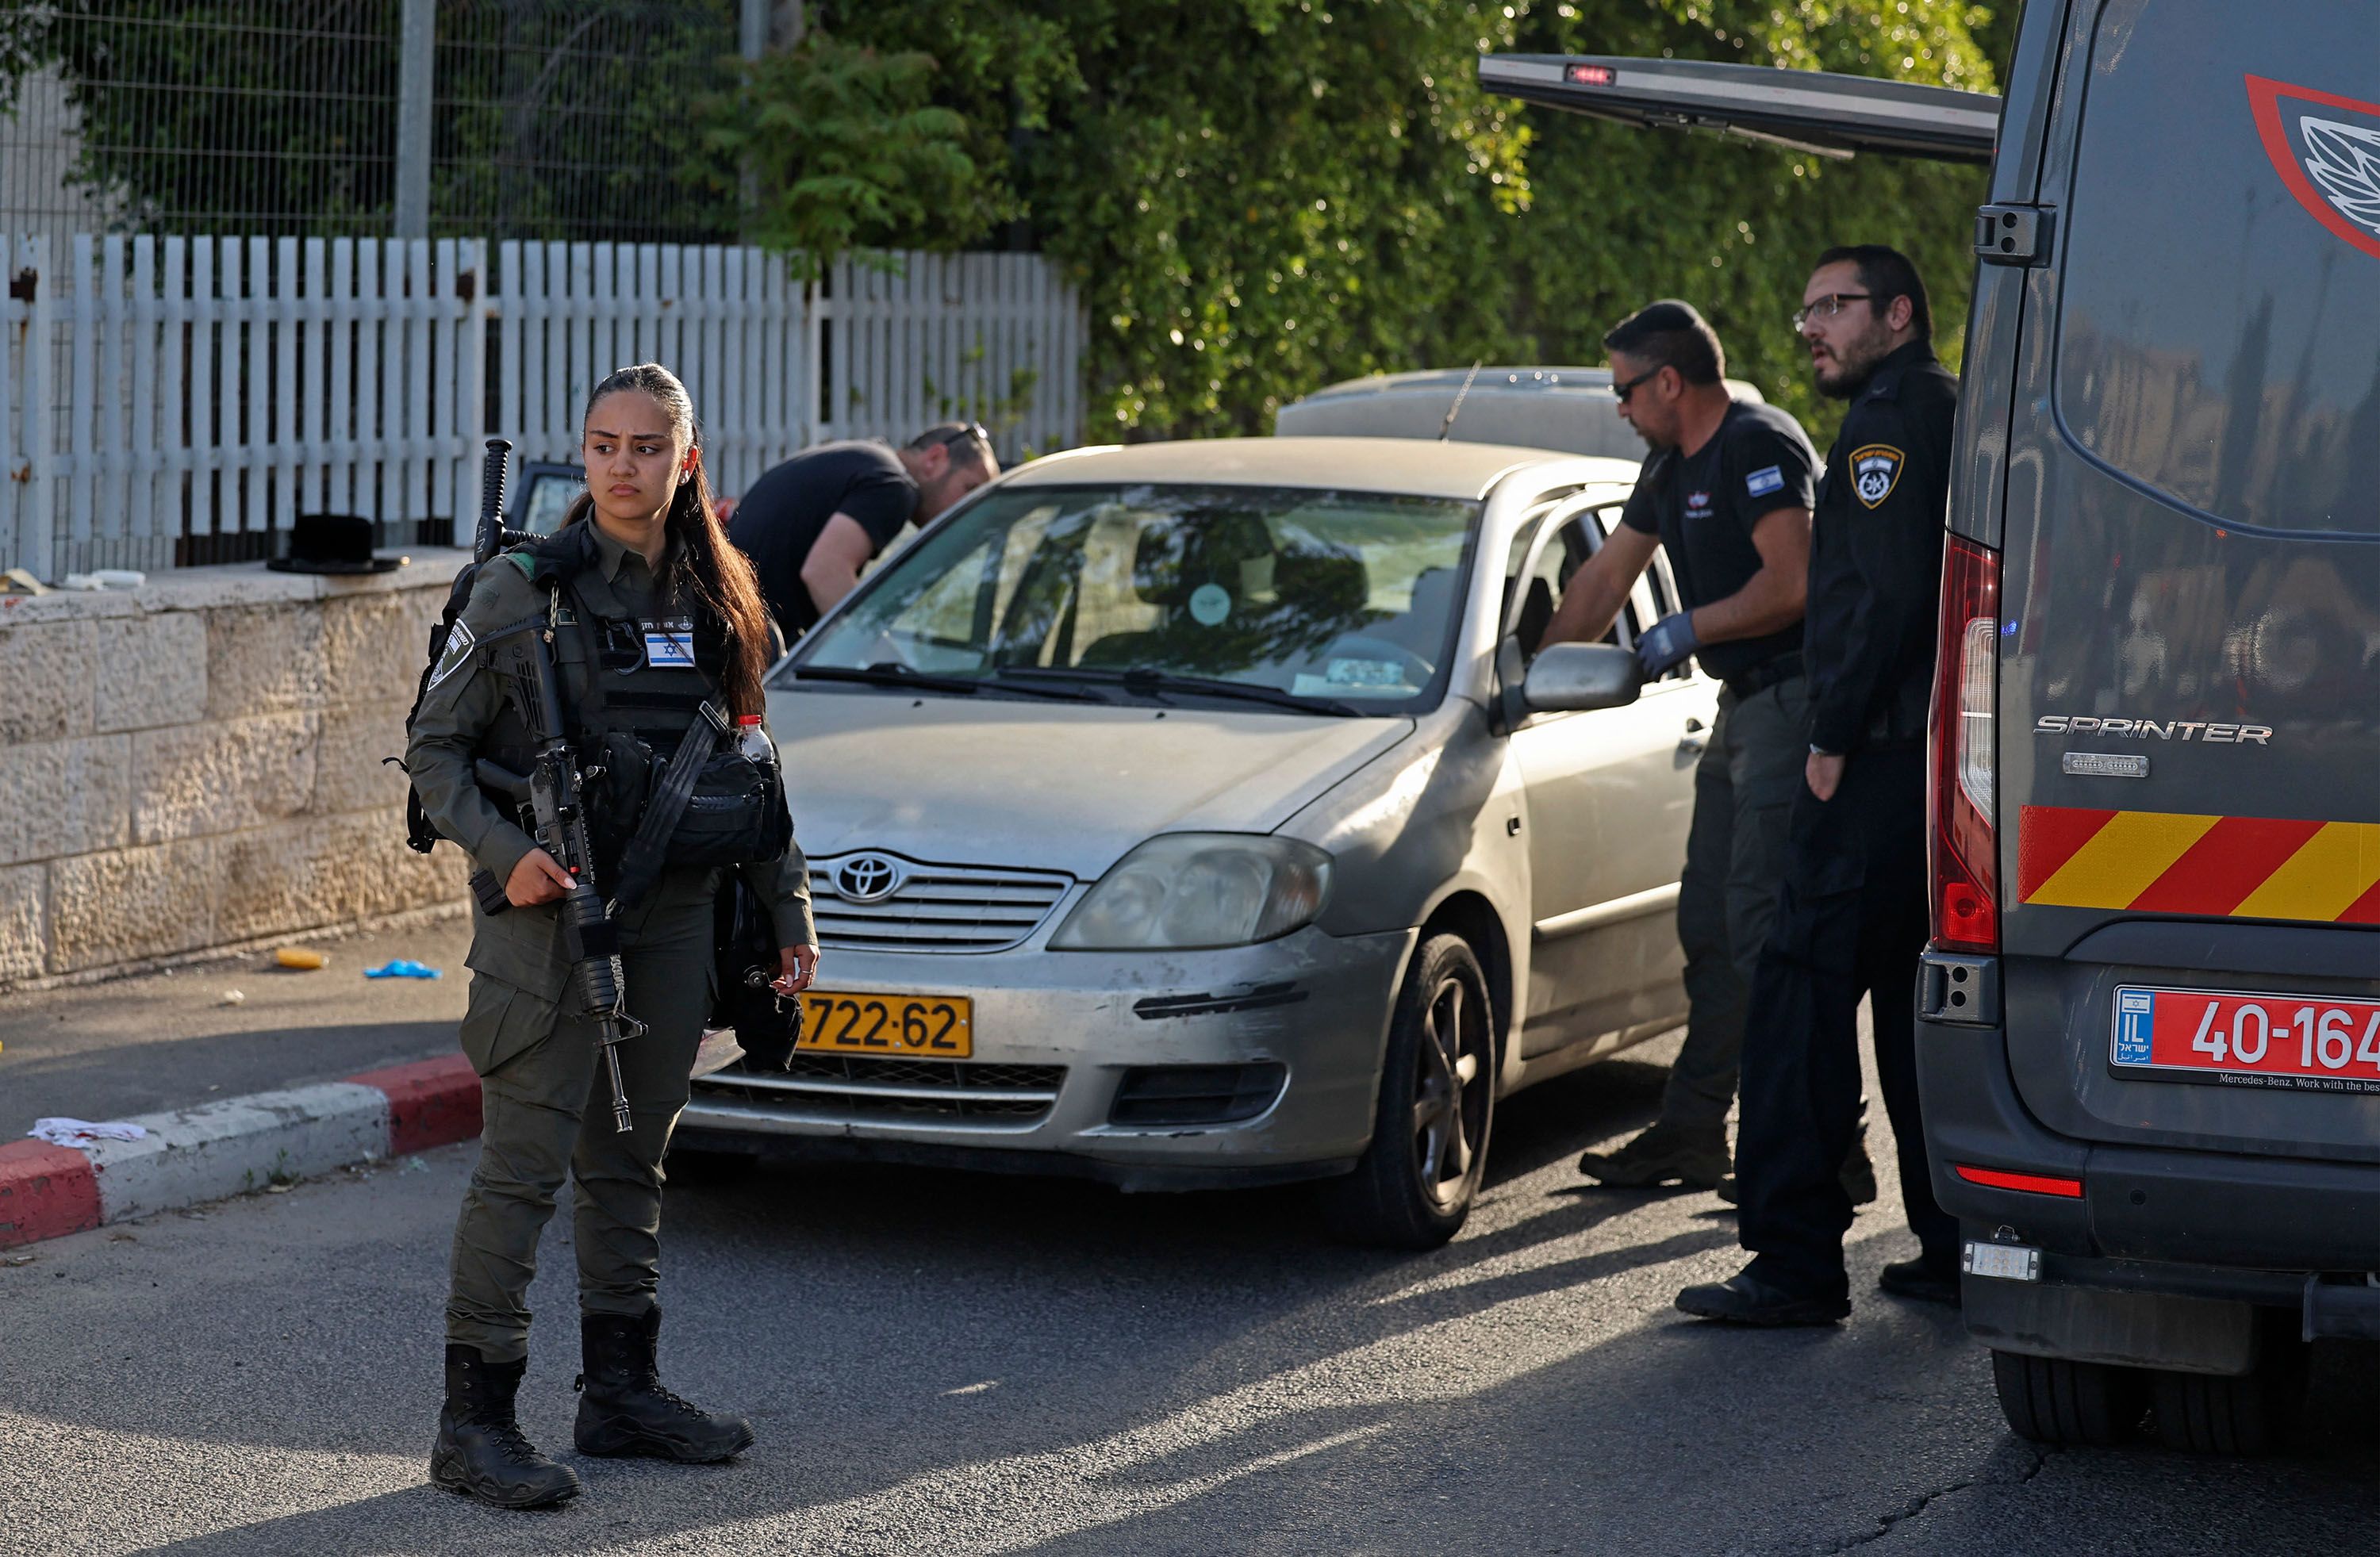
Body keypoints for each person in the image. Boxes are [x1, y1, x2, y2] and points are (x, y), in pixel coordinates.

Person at [407, 362, 821, 1508]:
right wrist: (509, 854)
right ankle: (474, 1422)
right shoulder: (521, 591)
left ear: (686, 458)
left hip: (678, 919)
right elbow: (433, 755)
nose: (623, 465)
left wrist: (789, 913)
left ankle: (620, 1391)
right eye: (603, 444)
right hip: (550, 920)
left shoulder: (724, 594)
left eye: (646, 445)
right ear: (581, 455)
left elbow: (755, 771)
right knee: (523, 1172)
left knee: (632, 1161)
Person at [1677, 247, 1963, 1326]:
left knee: (1796, 994)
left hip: (1876, 756)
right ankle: (1948, 1238)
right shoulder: (1946, 404)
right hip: (1926, 768)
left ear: (1898, 311)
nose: (1813, 328)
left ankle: (1794, 1259)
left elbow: (1883, 597)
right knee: (1908, 1003)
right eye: (1806, 311)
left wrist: (1832, 736)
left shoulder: (1889, 421)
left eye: (1835, 307)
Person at [1541, 301, 1847, 1195]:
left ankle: (1825, 1152)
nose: (1622, 408)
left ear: (1668, 380)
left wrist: (1687, 627)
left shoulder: (1758, 443)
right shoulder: (1670, 464)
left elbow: (1791, 582)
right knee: (1711, 925)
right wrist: (1534, 672)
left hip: (1791, 703)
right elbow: (1605, 575)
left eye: (1625, 391)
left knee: (1765, 931)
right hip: (1740, 706)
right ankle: (1691, 1130)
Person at [727, 424, 1001, 641]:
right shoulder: (894, 487)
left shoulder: (867, 461)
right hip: (748, 638)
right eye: (969, 489)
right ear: (935, 459)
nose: (969, 509)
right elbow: (825, 573)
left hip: (728, 623)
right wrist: (878, 655)